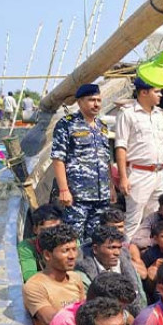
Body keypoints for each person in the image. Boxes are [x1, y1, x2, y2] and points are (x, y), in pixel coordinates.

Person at [51, 84, 111, 242]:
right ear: (79, 102)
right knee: (72, 239)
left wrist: (110, 187)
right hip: (77, 195)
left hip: (101, 196)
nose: (96, 104)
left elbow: (106, 159)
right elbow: (58, 159)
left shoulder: (102, 127)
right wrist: (64, 189)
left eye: (98, 100)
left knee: (96, 239)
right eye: (91, 100)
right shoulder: (67, 124)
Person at [115, 77, 163, 240]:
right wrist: (123, 177)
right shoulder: (127, 114)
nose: (160, 95)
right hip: (138, 173)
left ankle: (146, 258)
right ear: (144, 92)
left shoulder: (160, 114)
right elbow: (120, 146)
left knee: (155, 220)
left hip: (159, 173)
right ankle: (125, 260)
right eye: (157, 91)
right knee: (133, 221)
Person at [22, 224, 85, 325]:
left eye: (74, 249)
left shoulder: (75, 278)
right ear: (47, 255)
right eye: (66, 250)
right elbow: (53, 320)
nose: (72, 256)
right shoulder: (35, 286)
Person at [76, 225, 145, 312]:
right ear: (95, 249)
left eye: (119, 248)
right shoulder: (82, 275)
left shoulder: (126, 264)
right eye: (111, 248)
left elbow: (140, 296)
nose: (117, 253)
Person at [18, 204, 63, 282]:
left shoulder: (71, 243)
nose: (52, 234)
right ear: (35, 229)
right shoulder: (27, 247)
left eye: (56, 229)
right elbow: (29, 275)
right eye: (46, 230)